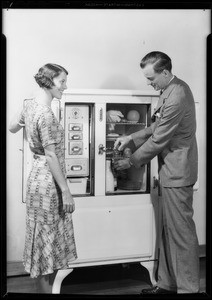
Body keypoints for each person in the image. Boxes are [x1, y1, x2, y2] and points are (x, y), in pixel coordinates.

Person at [114, 51, 199, 294]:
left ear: (165, 72)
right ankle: (166, 285)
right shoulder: (169, 90)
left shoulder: (178, 93)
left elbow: (160, 138)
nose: (148, 83)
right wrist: (131, 136)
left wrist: (130, 162)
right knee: (167, 229)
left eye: (151, 78)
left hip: (177, 172)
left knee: (181, 233)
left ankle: (188, 289)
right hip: (169, 170)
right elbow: (156, 126)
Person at [9, 63, 77, 293]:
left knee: (42, 239)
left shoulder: (30, 105)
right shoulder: (46, 114)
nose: (65, 87)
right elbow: (50, 154)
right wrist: (66, 191)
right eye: (62, 82)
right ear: (49, 82)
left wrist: (26, 118)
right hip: (50, 182)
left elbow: (11, 127)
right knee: (50, 240)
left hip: (36, 180)